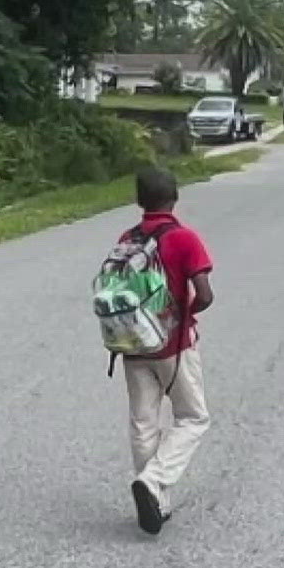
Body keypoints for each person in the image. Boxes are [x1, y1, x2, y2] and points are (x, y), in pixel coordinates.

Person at [117, 167, 213, 536]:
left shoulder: (128, 238)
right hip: (173, 345)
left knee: (144, 421)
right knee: (193, 417)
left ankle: (156, 496)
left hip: (132, 343)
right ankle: (153, 482)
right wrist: (184, 316)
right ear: (175, 197)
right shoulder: (184, 239)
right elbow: (203, 294)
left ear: (139, 200)